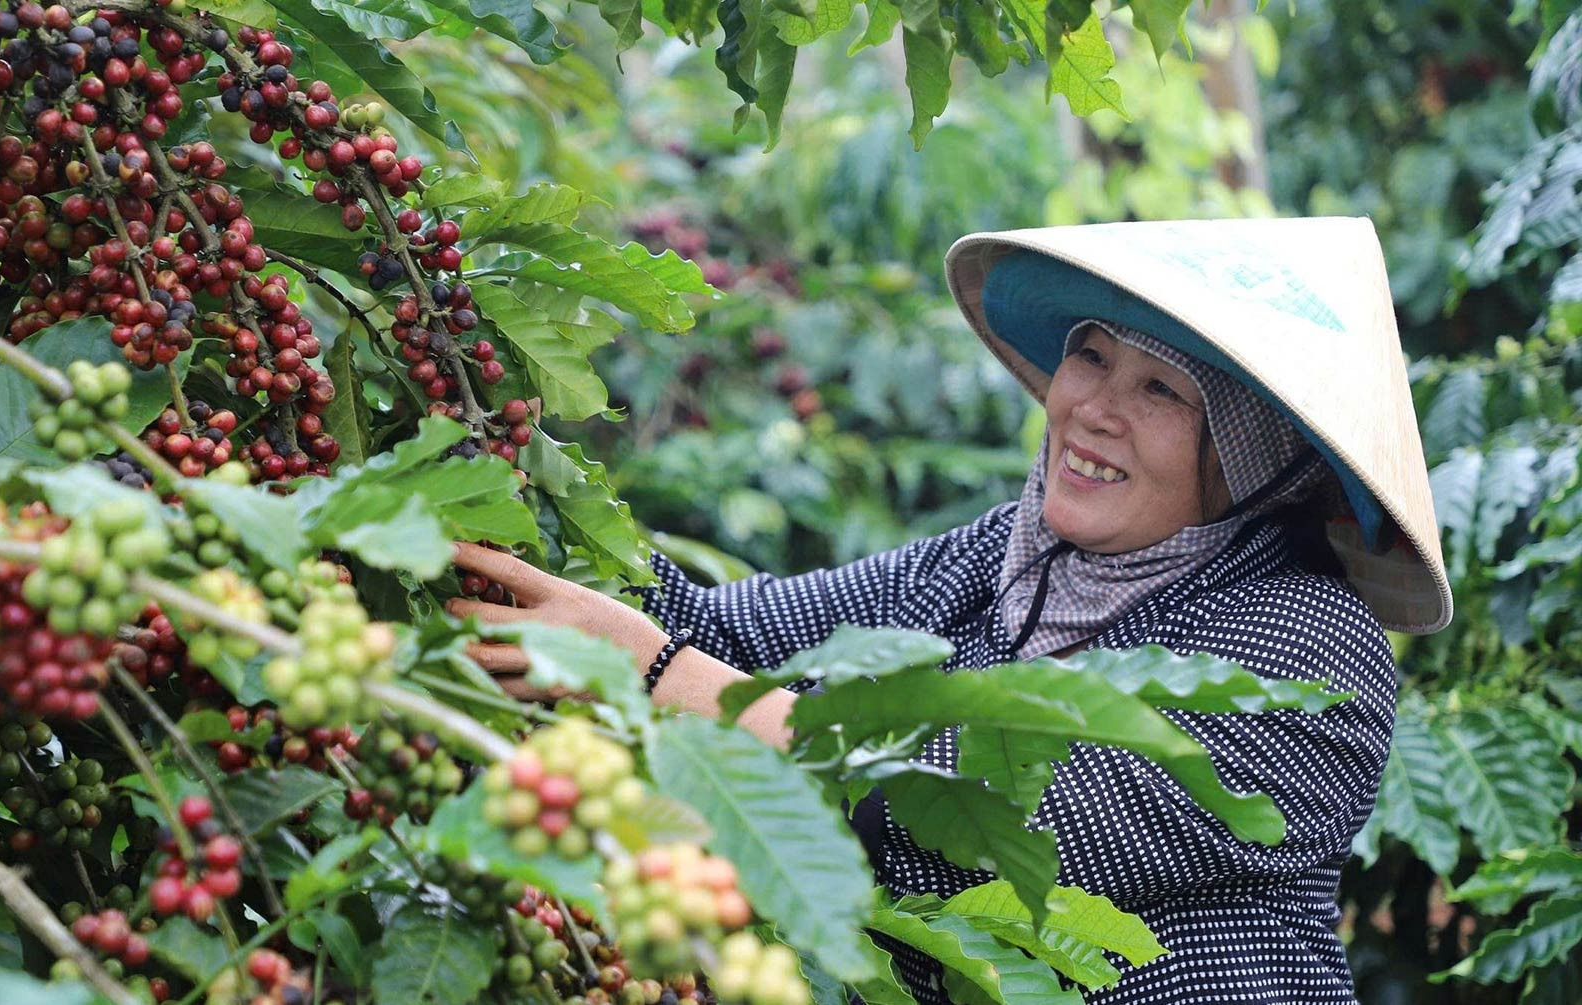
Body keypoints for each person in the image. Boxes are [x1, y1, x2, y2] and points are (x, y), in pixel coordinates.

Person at [447, 218, 1452, 1004]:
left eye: (1162, 392)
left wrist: (656, 669)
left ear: (1248, 459)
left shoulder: (1309, 653)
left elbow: (965, 817)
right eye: (1092, 356)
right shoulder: (1007, 555)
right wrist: (509, 471)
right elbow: (737, 635)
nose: (1093, 406)